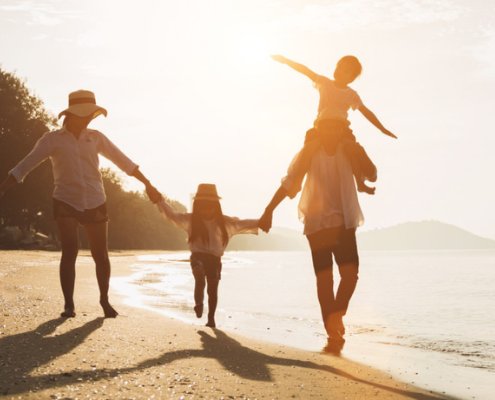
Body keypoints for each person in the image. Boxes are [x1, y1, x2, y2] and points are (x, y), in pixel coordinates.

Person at [0, 89, 161, 319]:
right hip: (65, 199)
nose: (89, 118)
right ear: (72, 114)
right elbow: (25, 165)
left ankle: (104, 301)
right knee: (70, 251)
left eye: (91, 115)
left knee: (101, 255)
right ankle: (69, 305)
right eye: (85, 114)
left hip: (95, 199)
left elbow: (122, 160)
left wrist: (147, 184)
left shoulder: (95, 137)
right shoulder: (52, 140)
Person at [258, 107, 368, 354]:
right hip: (317, 224)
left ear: (342, 130)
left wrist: (359, 153)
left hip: (343, 223)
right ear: (320, 128)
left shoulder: (347, 151)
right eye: (327, 126)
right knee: (324, 278)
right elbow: (289, 183)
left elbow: (370, 173)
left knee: (351, 275)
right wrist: (269, 210)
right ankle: (331, 328)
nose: (332, 130)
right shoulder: (309, 153)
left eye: (337, 126)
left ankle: (336, 316)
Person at [271, 54, 396, 196]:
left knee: (351, 149)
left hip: (341, 129)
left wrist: (382, 129)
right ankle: (298, 182)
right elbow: (306, 71)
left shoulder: (351, 94)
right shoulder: (324, 82)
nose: (340, 71)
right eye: (339, 67)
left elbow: (366, 111)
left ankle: (360, 183)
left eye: (346, 71)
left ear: (351, 79)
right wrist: (286, 61)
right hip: (321, 127)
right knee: (308, 149)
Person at [153, 184, 260, 328]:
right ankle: (198, 303)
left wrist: (263, 220)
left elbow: (242, 223)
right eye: (203, 206)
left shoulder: (224, 222)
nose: (206, 210)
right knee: (199, 278)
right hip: (198, 256)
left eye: (210, 206)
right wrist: (160, 200)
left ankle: (211, 318)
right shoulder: (191, 220)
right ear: (197, 205)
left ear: (216, 206)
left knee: (212, 290)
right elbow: (172, 215)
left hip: (215, 260)